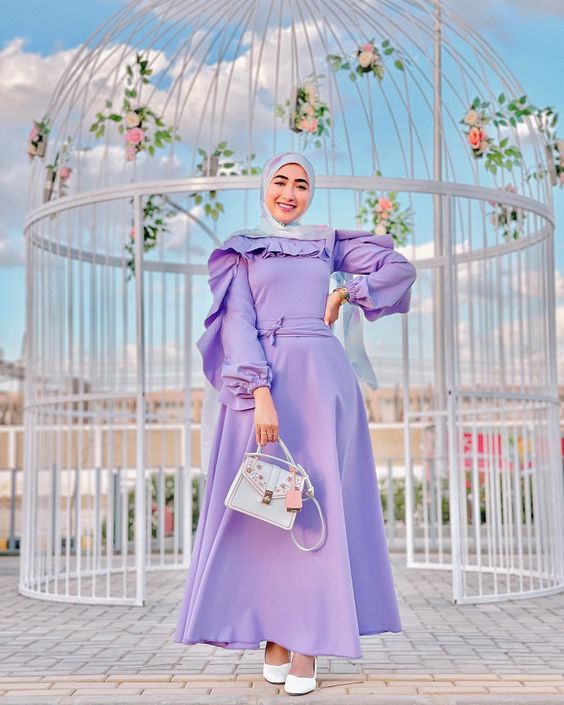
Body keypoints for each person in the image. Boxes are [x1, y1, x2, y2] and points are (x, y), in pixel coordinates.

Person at [174, 151, 417, 695]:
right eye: (280, 182)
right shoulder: (242, 248)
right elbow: (237, 322)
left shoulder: (327, 242)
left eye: (301, 184)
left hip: (323, 384)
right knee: (265, 507)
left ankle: (308, 641)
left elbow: (399, 268)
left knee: (318, 505)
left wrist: (346, 291)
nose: (289, 192)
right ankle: (275, 633)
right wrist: (259, 392)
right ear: (265, 187)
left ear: (311, 193)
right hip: (262, 386)